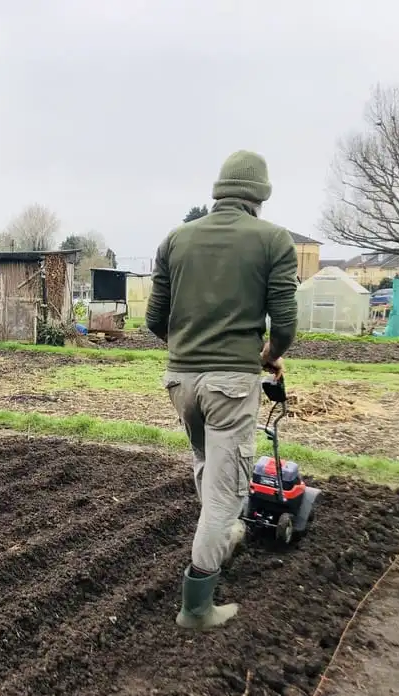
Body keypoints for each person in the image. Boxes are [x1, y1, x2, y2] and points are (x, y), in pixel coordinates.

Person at [144, 149, 299, 631]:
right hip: (231, 383)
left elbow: (154, 318)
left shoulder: (176, 238)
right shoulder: (273, 240)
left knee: (208, 465)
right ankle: (197, 606)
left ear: (219, 190)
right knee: (228, 487)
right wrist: (270, 354)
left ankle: (226, 528)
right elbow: (286, 323)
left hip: (181, 380)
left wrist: (188, 351)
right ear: (260, 196)